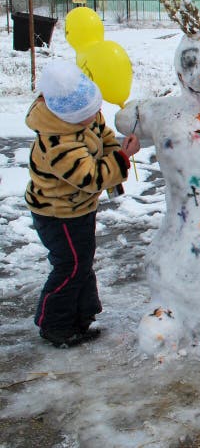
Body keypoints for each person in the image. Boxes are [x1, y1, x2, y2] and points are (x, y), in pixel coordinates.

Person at [25, 60, 140, 348]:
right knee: (70, 266)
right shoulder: (57, 143)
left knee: (81, 262)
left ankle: (82, 315)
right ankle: (54, 323)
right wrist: (122, 160)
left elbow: (105, 137)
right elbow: (90, 177)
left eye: (93, 112)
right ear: (68, 116)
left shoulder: (85, 116)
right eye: (86, 117)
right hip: (57, 214)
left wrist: (116, 149)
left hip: (78, 209)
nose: (94, 119)